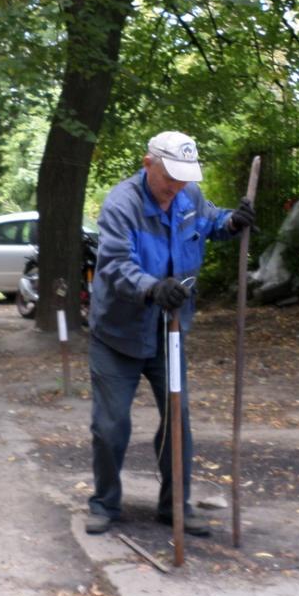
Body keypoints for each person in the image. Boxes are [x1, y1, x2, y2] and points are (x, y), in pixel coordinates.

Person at [85, 131, 254, 536]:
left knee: (178, 422)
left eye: (183, 179)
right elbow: (114, 263)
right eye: (170, 178)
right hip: (117, 335)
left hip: (169, 333)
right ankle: (105, 503)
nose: (176, 187)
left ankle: (175, 506)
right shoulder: (121, 204)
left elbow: (212, 222)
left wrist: (232, 221)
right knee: (111, 426)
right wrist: (151, 287)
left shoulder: (188, 197)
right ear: (148, 164)